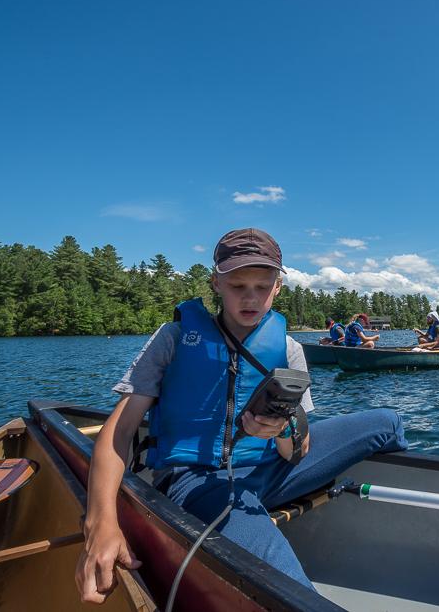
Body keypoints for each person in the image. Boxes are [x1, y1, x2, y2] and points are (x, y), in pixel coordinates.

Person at [76, 228, 407, 603]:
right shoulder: (173, 338)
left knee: (387, 423)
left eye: (262, 287)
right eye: (237, 286)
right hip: (198, 480)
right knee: (296, 598)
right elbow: (118, 433)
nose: (250, 298)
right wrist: (100, 523)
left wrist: (282, 430)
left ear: (278, 287)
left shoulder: (288, 350)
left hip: (269, 466)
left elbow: (296, 452)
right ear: (215, 283)